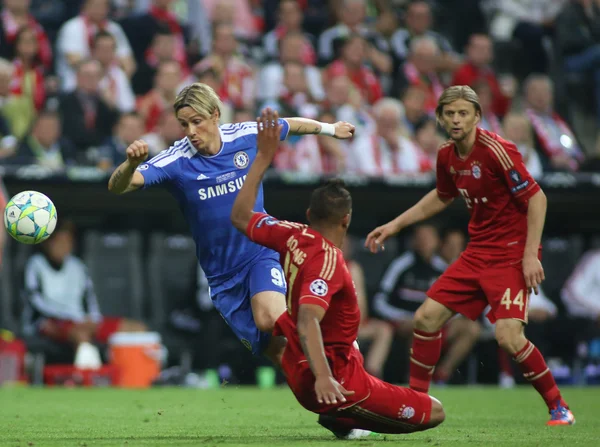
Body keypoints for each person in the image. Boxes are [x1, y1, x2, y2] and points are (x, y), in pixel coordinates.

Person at [365, 85, 575, 426]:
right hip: (476, 253)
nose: (456, 119)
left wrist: (530, 255)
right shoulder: (447, 154)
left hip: (509, 255)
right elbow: (442, 195)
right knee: (425, 319)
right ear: (440, 118)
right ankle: (419, 404)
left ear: (477, 116)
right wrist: (395, 224)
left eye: (463, 113)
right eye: (450, 113)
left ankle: (558, 406)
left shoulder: (497, 150)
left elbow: (537, 199)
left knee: (509, 338)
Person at [230, 108, 445, 438]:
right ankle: (342, 414)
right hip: (332, 379)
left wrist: (263, 158)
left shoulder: (292, 233)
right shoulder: (328, 262)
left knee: (353, 341)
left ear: (308, 214)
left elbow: (242, 216)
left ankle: (340, 417)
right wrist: (324, 378)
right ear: (346, 220)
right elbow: (307, 321)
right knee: (435, 411)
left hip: (301, 361)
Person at [107, 82, 355, 368]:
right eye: (184, 124)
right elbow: (118, 187)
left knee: (269, 319)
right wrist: (130, 164)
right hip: (222, 278)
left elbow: (289, 125)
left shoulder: (244, 135)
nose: (190, 132)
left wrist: (330, 129)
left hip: (259, 253)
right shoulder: (177, 160)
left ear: (215, 115)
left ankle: (336, 342)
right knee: (278, 354)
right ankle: (332, 403)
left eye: (197, 122)